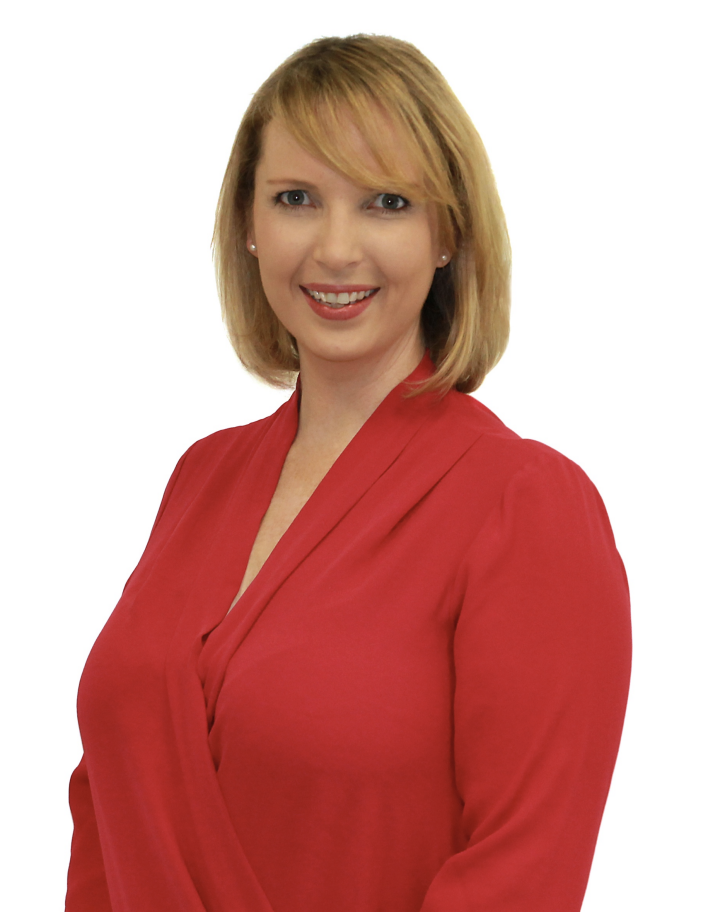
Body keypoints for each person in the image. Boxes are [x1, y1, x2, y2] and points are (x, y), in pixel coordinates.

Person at [65, 34, 632, 912]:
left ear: (447, 234)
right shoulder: (199, 478)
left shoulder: (525, 507)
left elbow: (522, 874)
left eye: (386, 203)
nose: (335, 249)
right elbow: (105, 802)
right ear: (248, 227)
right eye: (296, 198)